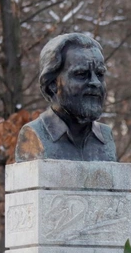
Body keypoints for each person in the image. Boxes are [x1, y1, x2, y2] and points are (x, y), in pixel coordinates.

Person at [15, 33, 117, 162]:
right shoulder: (34, 136)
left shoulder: (106, 137)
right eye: (81, 74)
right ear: (52, 84)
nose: (95, 82)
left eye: (100, 74)